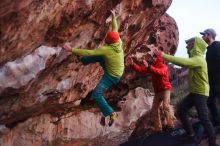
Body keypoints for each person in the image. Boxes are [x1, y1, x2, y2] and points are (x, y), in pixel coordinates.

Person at [62, 10, 124, 127]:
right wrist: (114, 16)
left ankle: (111, 113)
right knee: (100, 57)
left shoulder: (108, 49)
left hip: (112, 77)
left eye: (107, 39)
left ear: (110, 42)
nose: (105, 38)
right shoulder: (118, 40)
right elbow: (114, 27)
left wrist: (71, 50)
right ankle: (81, 60)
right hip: (116, 70)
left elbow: (89, 52)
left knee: (97, 94)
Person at [161, 37, 218, 146]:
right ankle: (191, 134)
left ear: (196, 46)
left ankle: (212, 143)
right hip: (194, 92)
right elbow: (187, 66)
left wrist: (163, 55)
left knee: (204, 118)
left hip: (200, 93)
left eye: (190, 44)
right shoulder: (195, 59)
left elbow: (185, 62)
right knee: (181, 110)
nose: (187, 46)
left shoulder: (199, 59)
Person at [127, 53, 174, 132]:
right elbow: (141, 70)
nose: (153, 58)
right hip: (157, 92)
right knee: (154, 109)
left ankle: (170, 125)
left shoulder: (164, 67)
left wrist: (149, 67)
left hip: (165, 90)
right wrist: (133, 64)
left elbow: (160, 73)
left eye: (155, 57)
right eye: (154, 57)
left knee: (165, 106)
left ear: (159, 59)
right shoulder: (152, 67)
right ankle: (158, 128)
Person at [200, 28, 220, 126]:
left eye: (204, 35)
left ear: (209, 35)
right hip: (212, 81)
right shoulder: (209, 49)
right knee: (210, 102)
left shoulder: (217, 46)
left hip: (218, 80)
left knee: (212, 101)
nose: (202, 37)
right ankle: (217, 122)